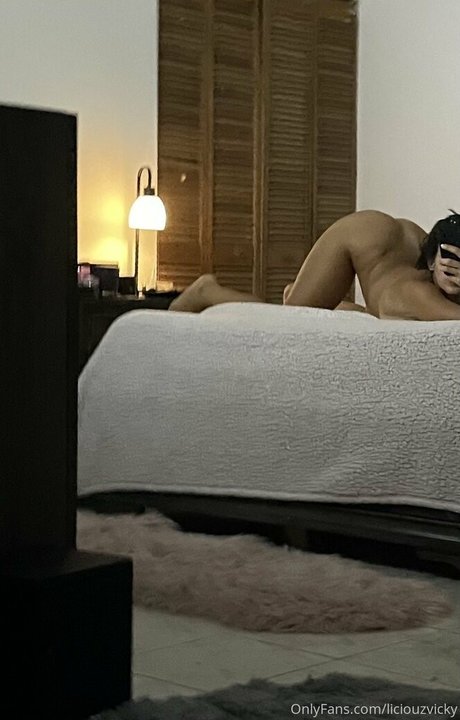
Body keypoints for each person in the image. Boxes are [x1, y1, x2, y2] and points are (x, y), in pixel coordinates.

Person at [169, 209, 460, 320]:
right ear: (431, 261)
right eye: (450, 264)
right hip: (362, 235)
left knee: (375, 311)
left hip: (402, 248)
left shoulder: (432, 275)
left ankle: (311, 293)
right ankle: (207, 291)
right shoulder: (419, 294)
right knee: (291, 317)